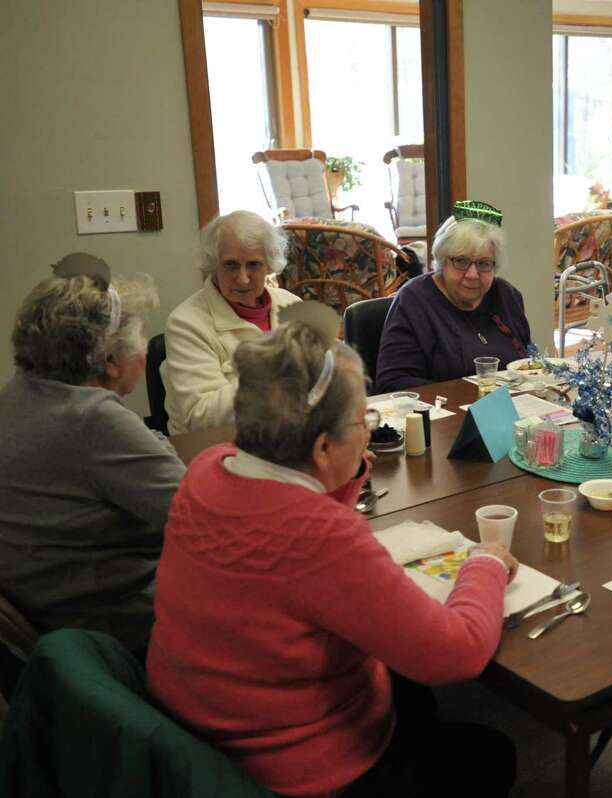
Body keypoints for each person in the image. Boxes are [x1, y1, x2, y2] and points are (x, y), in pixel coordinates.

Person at [147, 305, 519, 798]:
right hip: (299, 771)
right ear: (322, 449)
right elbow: (459, 653)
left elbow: (300, 550)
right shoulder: (318, 536)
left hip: (204, 728)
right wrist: (486, 563)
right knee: (491, 755)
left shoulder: (208, 468)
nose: (368, 431)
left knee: (414, 695)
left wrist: (342, 476)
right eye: (363, 420)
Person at [0, 255, 183, 653]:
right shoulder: (93, 420)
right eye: (141, 337)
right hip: (117, 627)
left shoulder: (20, 393)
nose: (145, 350)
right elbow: (202, 516)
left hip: (52, 609)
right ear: (111, 360)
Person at [162, 210, 302, 434]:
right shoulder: (186, 323)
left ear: (269, 265)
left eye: (254, 265)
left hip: (290, 438)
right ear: (213, 264)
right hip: (216, 446)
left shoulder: (292, 305)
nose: (243, 278)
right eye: (231, 265)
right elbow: (201, 416)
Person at [375, 200, 531, 391]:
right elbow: (392, 383)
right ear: (442, 261)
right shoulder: (414, 301)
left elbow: (526, 366)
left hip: (510, 407)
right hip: (442, 409)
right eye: (461, 261)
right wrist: (469, 396)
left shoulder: (507, 296)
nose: (472, 274)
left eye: (483, 263)